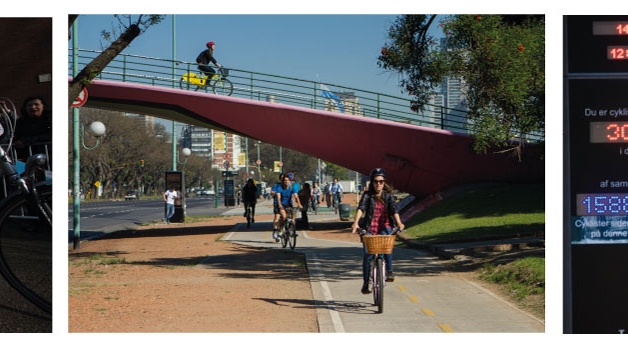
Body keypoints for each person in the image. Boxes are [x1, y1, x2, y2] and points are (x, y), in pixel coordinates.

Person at [351, 168, 405, 294]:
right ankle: (366, 283)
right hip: (369, 228)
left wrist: (399, 223)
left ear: (384, 182)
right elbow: (361, 208)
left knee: (387, 241)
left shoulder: (389, 196)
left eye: (381, 181)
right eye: (376, 181)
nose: (378, 184)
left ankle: (390, 271)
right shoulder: (367, 195)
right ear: (372, 182)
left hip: (384, 226)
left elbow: (394, 210)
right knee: (367, 254)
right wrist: (355, 223)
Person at [14, 96, 52, 161]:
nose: (33, 107)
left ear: (43, 106)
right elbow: (16, 137)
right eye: (29, 105)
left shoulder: (50, 118)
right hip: (28, 158)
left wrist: (29, 140)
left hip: (48, 156)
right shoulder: (21, 122)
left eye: (36, 104)